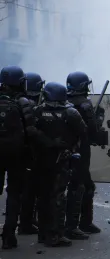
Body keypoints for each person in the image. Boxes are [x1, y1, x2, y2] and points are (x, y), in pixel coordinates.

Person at [0, 66, 54, 249]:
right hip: (17, 156)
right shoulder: (24, 103)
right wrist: (50, 143)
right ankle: (9, 236)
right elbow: (31, 131)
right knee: (14, 195)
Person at [34, 81, 87, 247]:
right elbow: (83, 131)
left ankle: (43, 234)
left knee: (42, 196)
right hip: (61, 159)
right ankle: (56, 234)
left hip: (41, 159)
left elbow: (31, 132)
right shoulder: (70, 113)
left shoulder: (38, 111)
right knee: (58, 196)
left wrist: (48, 142)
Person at [66, 71, 105, 235]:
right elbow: (93, 131)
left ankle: (84, 223)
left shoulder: (63, 102)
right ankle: (73, 227)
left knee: (84, 185)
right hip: (80, 151)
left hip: (64, 150)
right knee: (79, 187)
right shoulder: (85, 105)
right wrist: (100, 117)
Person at [18, 72, 45, 235]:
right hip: (30, 153)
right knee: (31, 190)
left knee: (22, 190)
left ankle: (26, 221)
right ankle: (26, 223)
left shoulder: (16, 102)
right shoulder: (32, 106)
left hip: (17, 152)